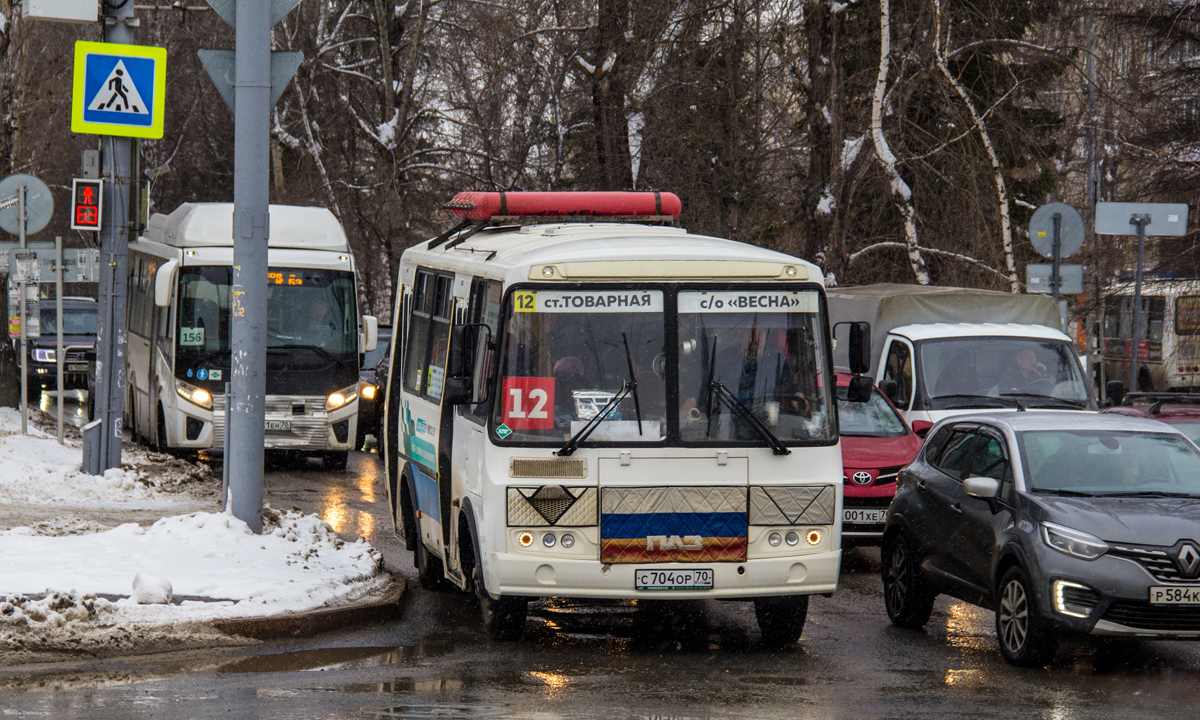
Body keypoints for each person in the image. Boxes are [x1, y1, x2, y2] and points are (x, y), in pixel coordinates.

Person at [683, 318, 808, 439]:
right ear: (741, 335)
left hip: (765, 424)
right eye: (750, 334)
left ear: (766, 335)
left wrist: (799, 398)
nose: (756, 339)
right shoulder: (724, 358)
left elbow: (792, 386)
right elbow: (703, 387)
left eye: (760, 334)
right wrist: (687, 407)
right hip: (728, 420)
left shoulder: (776, 357)